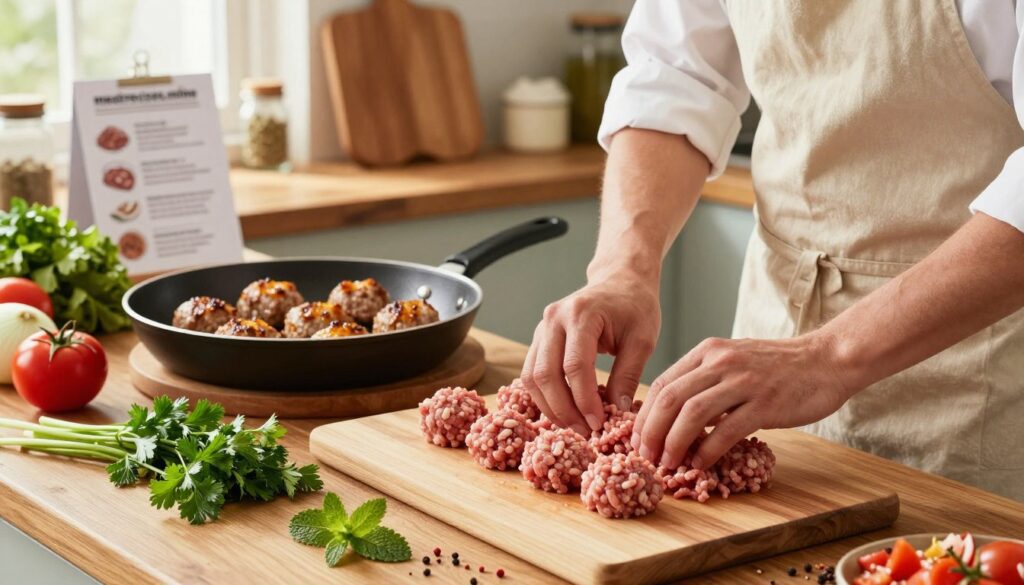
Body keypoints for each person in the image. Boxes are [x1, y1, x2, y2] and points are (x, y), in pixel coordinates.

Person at [521, 0, 1024, 501]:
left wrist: (825, 356)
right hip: (774, 329)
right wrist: (621, 270)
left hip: (971, 371)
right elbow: (675, 78)